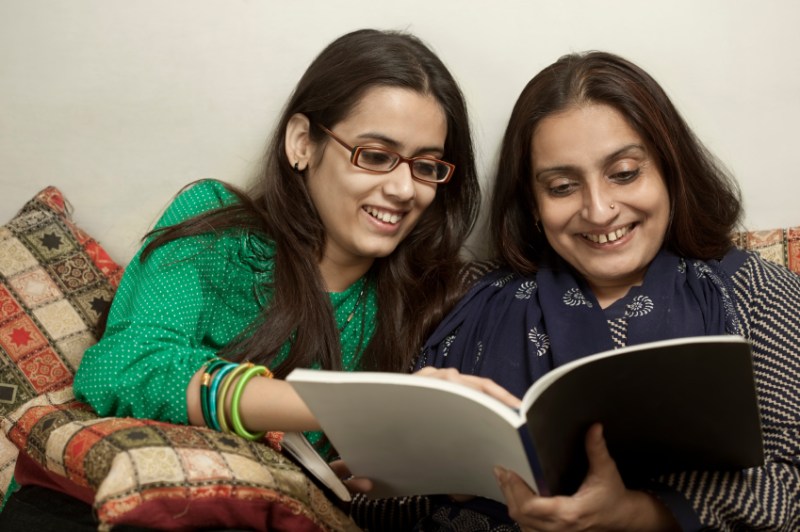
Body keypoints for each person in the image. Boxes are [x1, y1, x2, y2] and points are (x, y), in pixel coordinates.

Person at [1, 28, 520, 530]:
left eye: (426, 166)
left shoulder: (427, 299)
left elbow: (354, 497)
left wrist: (394, 477)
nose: (405, 189)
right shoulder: (219, 225)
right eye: (376, 156)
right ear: (303, 143)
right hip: (94, 507)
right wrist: (358, 406)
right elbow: (123, 368)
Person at [415, 51, 800, 531]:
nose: (599, 211)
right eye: (561, 186)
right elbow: (374, 500)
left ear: (668, 172)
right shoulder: (466, 297)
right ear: (533, 204)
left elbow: (792, 485)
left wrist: (638, 514)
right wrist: (445, 473)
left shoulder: (757, 292)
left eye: (624, 174)